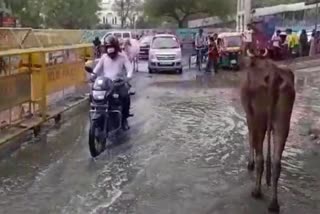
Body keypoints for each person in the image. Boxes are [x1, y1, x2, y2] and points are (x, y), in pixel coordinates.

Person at [93, 35, 133, 130]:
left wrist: (128, 77)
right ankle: (98, 115)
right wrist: (93, 75)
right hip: (106, 84)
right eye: (108, 48)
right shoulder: (104, 57)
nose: (110, 50)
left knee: (125, 97)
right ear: (106, 48)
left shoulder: (122, 56)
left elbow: (129, 68)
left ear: (116, 47)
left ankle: (124, 119)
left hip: (118, 83)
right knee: (94, 97)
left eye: (112, 47)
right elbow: (97, 68)